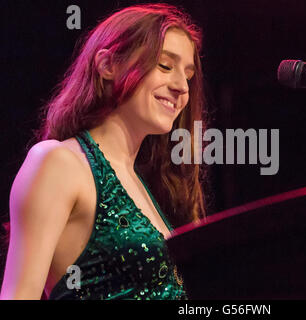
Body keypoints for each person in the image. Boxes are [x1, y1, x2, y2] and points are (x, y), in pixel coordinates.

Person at [0, 3, 207, 300]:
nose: (181, 87)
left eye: (187, 75)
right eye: (164, 65)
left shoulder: (148, 185)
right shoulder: (60, 162)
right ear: (108, 65)